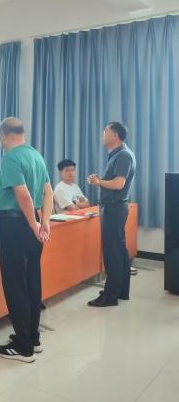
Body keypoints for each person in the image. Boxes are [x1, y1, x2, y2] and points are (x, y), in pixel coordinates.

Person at [0, 118, 53, 363]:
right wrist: (44, 222)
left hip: (14, 224)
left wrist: (33, 224)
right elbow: (48, 192)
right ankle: (32, 337)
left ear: (3, 135)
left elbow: (23, 194)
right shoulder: (36, 156)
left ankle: (23, 347)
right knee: (32, 280)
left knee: (15, 283)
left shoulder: (10, 158)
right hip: (33, 222)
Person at [86, 121, 136, 307]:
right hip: (115, 207)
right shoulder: (120, 154)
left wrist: (98, 182)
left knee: (112, 252)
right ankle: (120, 290)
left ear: (115, 135)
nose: (102, 135)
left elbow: (118, 184)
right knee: (119, 251)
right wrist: (100, 180)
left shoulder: (123, 155)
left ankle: (110, 296)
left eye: (105, 132)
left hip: (114, 208)